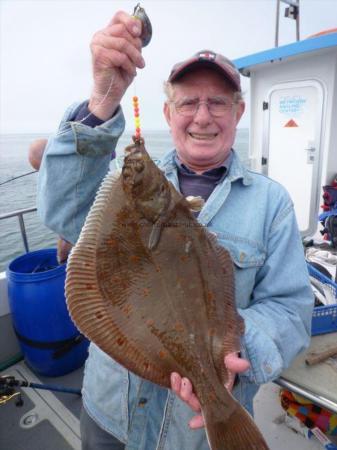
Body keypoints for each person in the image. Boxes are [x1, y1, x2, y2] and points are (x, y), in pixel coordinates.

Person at [37, 10, 314, 450]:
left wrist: (232, 355)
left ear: (238, 112)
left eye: (217, 102)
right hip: (111, 412)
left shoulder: (270, 202)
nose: (202, 117)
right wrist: (101, 103)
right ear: (168, 113)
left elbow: (290, 309)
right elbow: (63, 211)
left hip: (194, 432)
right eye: (188, 102)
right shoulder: (121, 190)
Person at [28, 138, 73, 264]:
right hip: (73, 223)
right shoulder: (66, 168)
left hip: (65, 224)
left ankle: (62, 262)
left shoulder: (48, 180)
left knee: (65, 239)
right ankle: (63, 262)